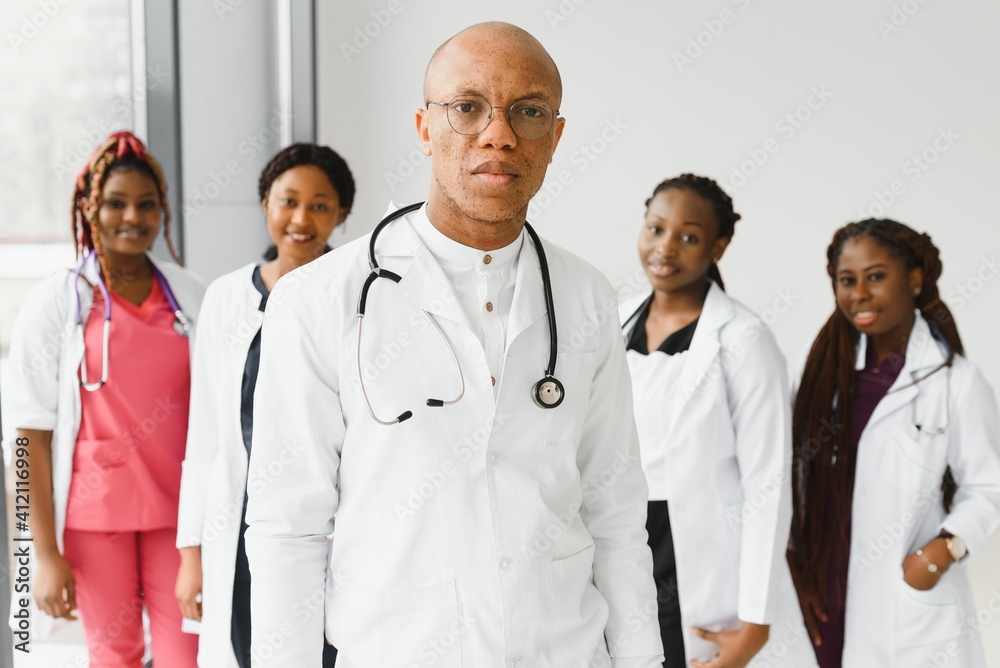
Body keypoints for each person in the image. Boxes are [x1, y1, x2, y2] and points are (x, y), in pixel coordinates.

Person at [245, 21, 664, 667]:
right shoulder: (319, 300)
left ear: (554, 138)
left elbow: (615, 511)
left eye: (528, 112)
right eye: (467, 108)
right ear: (424, 127)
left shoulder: (586, 297)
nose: (499, 133)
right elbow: (287, 527)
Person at [7, 130, 205, 666]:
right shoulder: (55, 303)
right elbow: (27, 437)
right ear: (90, 208)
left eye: (147, 204)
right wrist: (40, 554)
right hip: (93, 519)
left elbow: (216, 423)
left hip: (178, 520)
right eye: (116, 203)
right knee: (113, 656)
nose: (132, 217)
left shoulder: (191, 297)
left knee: (185, 657)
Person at [619, 175, 816, 668]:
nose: (665, 248)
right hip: (623, 542)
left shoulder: (744, 341)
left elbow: (768, 485)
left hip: (698, 559)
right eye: (655, 229)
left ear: (718, 246)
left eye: (688, 236)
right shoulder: (610, 324)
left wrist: (755, 623)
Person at [788, 218, 1000, 667]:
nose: (859, 294)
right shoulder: (819, 374)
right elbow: (786, 472)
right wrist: (792, 565)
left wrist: (944, 550)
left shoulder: (955, 382)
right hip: (820, 590)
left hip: (901, 597)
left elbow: (988, 485)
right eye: (847, 280)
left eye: (876, 277)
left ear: (915, 279)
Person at [174, 143, 353, 667]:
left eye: (320, 205)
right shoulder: (227, 297)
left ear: (340, 214)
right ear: (265, 205)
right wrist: (192, 554)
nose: (301, 218)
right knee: (248, 649)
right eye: (288, 201)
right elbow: (205, 435)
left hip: (328, 528)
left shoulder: (356, 293)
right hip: (242, 529)